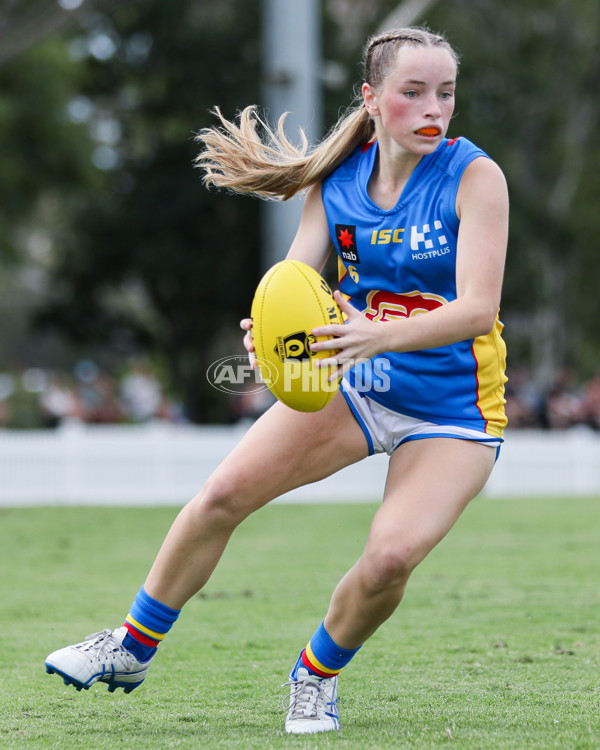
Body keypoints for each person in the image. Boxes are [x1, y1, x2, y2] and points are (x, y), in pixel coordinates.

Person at [44, 26, 509, 735]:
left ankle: (314, 678)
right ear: (372, 98)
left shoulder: (475, 177)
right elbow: (294, 282)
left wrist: (373, 333)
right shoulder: (338, 183)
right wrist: (270, 339)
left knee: (389, 558)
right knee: (224, 492)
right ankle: (130, 648)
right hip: (358, 387)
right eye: (412, 92)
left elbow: (479, 310)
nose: (432, 109)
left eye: (444, 92)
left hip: (454, 408)